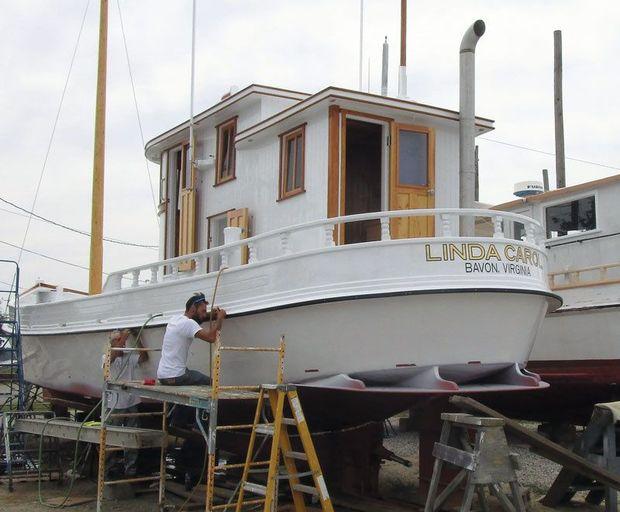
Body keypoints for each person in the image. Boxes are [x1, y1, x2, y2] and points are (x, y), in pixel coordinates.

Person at [102, 329, 148, 478]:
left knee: (132, 439)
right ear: (112, 344)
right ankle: (108, 471)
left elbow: (144, 357)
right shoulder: (106, 357)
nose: (123, 345)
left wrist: (137, 338)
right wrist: (125, 337)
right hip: (114, 404)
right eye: (119, 342)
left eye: (123, 342)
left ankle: (131, 472)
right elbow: (111, 359)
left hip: (131, 402)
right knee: (111, 439)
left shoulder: (129, 357)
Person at [157, 292, 226, 386]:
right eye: (203, 311)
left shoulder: (174, 319)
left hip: (162, 375)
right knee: (211, 383)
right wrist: (220, 318)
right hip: (176, 376)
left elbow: (198, 318)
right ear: (193, 309)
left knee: (189, 372)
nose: (204, 315)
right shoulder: (189, 323)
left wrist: (209, 314)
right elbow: (211, 338)